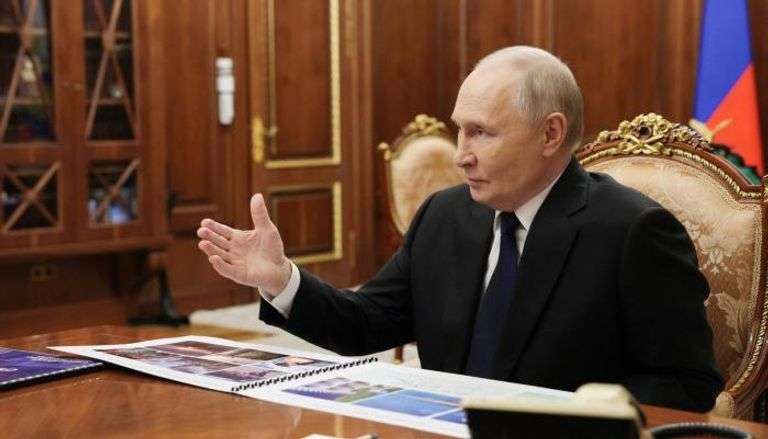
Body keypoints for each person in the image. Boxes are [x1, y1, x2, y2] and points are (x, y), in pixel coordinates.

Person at [197, 46, 723, 412]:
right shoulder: (445, 216)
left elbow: (686, 385)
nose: (461, 155)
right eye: (459, 131)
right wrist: (281, 280)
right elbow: (366, 324)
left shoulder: (634, 232)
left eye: (481, 133)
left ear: (550, 134)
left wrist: (574, 418)